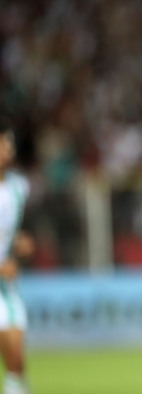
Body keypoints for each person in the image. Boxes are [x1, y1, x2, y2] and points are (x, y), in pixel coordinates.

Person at [0, 119, 31, 394]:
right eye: (4, 143)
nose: (9, 149)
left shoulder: (18, 188)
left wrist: (18, 244)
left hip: (4, 289)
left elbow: (11, 233)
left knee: (16, 356)